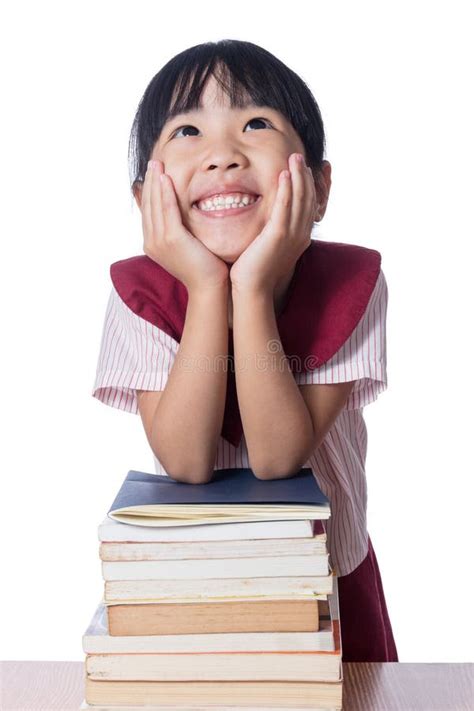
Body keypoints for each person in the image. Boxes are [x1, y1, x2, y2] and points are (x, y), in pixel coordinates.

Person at [92, 39, 398, 662]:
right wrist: (207, 288)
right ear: (144, 198)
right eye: (187, 130)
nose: (222, 155)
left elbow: (278, 457)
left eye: (256, 123)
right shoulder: (138, 294)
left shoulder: (352, 283)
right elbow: (186, 461)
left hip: (331, 581)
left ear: (318, 185)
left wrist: (251, 287)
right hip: (204, 591)